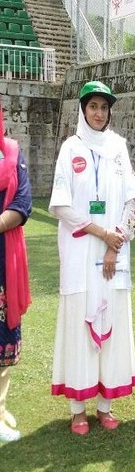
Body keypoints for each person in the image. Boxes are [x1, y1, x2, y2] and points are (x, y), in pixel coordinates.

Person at [50, 81, 135, 435]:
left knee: (112, 324)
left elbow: (132, 199)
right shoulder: (70, 148)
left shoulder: (118, 147)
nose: (99, 113)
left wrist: (113, 243)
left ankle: (105, 406)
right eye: (93, 107)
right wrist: (102, 233)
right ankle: (78, 409)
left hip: (112, 257)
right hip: (80, 253)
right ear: (83, 110)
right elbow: (62, 205)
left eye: (104, 107)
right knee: (80, 329)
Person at [0, 105, 32, 442]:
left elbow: (23, 204)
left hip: (3, 262)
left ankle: (0, 407)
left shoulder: (12, 154)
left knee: (2, 342)